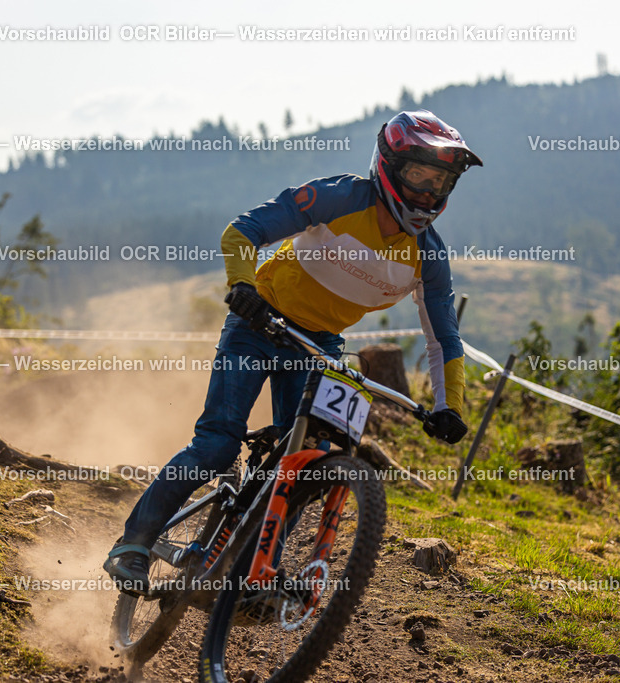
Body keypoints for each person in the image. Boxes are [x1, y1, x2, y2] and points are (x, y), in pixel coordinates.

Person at [104, 110, 482, 593]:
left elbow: (444, 340)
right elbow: (242, 232)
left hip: (318, 345)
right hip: (259, 322)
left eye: (441, 181)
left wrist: (451, 407)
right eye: (418, 175)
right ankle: (132, 545)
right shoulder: (341, 197)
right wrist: (243, 288)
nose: (428, 191)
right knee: (218, 443)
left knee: (304, 464)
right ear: (389, 165)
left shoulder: (428, 256)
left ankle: (255, 576)